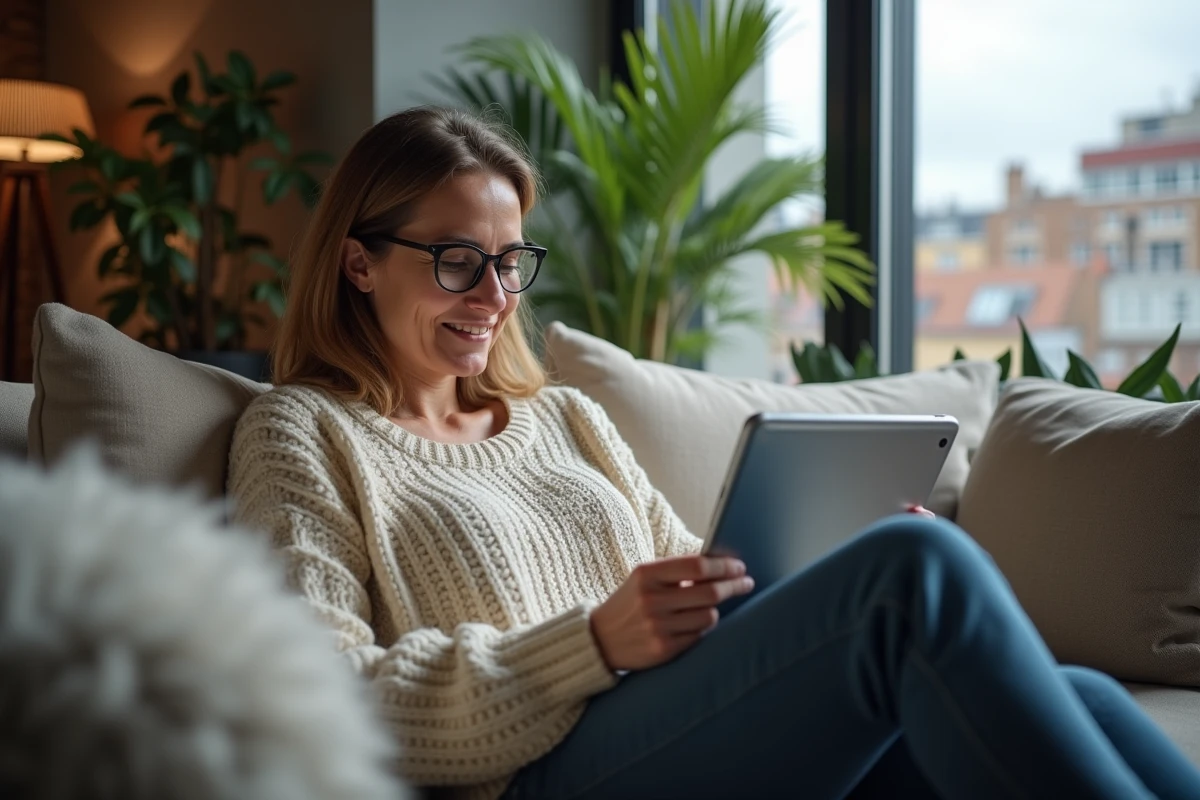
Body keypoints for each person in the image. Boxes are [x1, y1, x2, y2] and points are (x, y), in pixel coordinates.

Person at [226, 106, 1200, 800]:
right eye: (456, 260)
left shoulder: (566, 420)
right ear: (359, 261)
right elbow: (324, 697)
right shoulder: (303, 433)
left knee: (1076, 692)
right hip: (536, 772)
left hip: (667, 723)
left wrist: (813, 571)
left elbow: (698, 588)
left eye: (512, 260)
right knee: (918, 571)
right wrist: (591, 644)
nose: (494, 295)